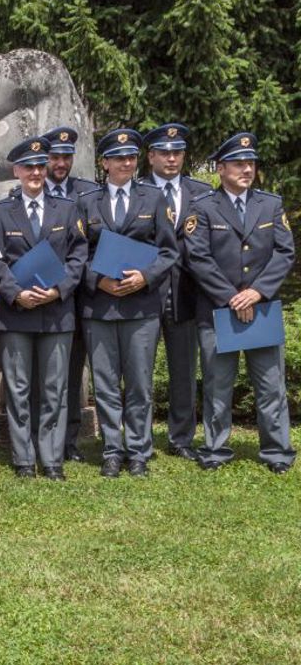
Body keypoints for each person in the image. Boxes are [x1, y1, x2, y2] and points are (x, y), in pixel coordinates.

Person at [185, 132, 295, 472]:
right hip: (219, 311)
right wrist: (232, 297)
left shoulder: (270, 204)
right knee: (218, 384)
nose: (246, 169)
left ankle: (277, 452)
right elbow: (198, 258)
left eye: (250, 163)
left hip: (262, 309)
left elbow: (284, 251)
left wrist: (257, 291)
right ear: (220, 168)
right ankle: (216, 450)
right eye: (238, 164)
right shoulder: (202, 208)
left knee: (270, 385)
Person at [77, 129, 177, 478]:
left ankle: (138, 451)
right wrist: (96, 279)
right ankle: (112, 450)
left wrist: (145, 277)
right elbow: (77, 253)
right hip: (100, 308)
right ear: (104, 163)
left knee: (138, 383)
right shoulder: (87, 201)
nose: (126, 162)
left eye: (132, 157)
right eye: (119, 157)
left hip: (141, 307)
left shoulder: (153, 199)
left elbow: (168, 251)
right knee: (104, 384)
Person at [0, 136, 88, 479]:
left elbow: (78, 257)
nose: (35, 172)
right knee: (17, 389)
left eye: (40, 166)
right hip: (16, 314)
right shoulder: (1, 212)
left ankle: (52, 458)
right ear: (16, 170)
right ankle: (24, 459)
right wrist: (15, 293)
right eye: (28, 166)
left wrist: (58, 290)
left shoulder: (67, 209)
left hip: (56, 313)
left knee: (54, 389)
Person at [140, 123, 212, 460]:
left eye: (177, 153)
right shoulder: (136, 191)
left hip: (186, 292)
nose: (171, 158)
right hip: (144, 292)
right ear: (151, 155)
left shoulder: (201, 192)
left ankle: (181, 438)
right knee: (140, 370)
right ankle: (140, 438)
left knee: (184, 370)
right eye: (164, 153)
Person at [39, 125, 101, 462]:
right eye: (54, 157)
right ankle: (42, 436)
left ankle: (69, 440)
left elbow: (92, 245)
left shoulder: (88, 193)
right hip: (41, 293)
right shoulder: (29, 191)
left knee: (73, 371)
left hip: (81, 296)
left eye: (66, 157)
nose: (61, 163)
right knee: (45, 373)